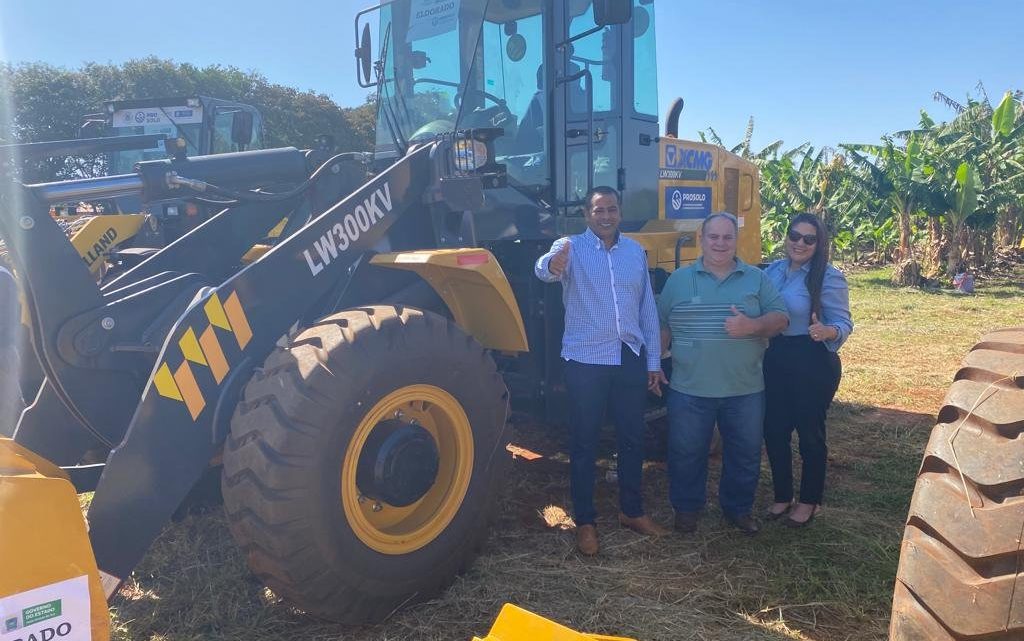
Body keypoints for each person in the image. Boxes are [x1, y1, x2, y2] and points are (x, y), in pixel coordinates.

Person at [535, 185, 670, 555]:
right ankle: (586, 523)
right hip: (585, 359)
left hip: (628, 355)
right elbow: (544, 269)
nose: (606, 216)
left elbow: (646, 309)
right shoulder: (571, 246)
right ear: (587, 214)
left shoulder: (634, 252)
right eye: (598, 210)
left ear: (619, 212)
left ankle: (632, 512)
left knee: (632, 438)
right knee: (584, 442)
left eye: (611, 209)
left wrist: (653, 361)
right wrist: (552, 263)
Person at [658, 212, 789, 535]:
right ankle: (687, 509)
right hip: (689, 387)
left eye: (727, 237)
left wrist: (752, 326)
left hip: (744, 387)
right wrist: (655, 363)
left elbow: (781, 318)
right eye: (713, 237)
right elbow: (661, 325)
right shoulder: (678, 280)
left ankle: (738, 509)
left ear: (736, 240)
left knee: (744, 453)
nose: (720, 243)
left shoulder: (755, 279)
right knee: (686, 453)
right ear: (702, 240)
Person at [763, 213, 853, 527]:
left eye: (809, 239)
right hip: (775, 356)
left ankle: (809, 500)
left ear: (818, 244)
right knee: (773, 430)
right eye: (795, 235)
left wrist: (828, 332)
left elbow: (844, 322)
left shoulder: (827, 276)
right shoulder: (773, 271)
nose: (800, 243)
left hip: (811, 359)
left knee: (809, 434)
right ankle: (782, 495)